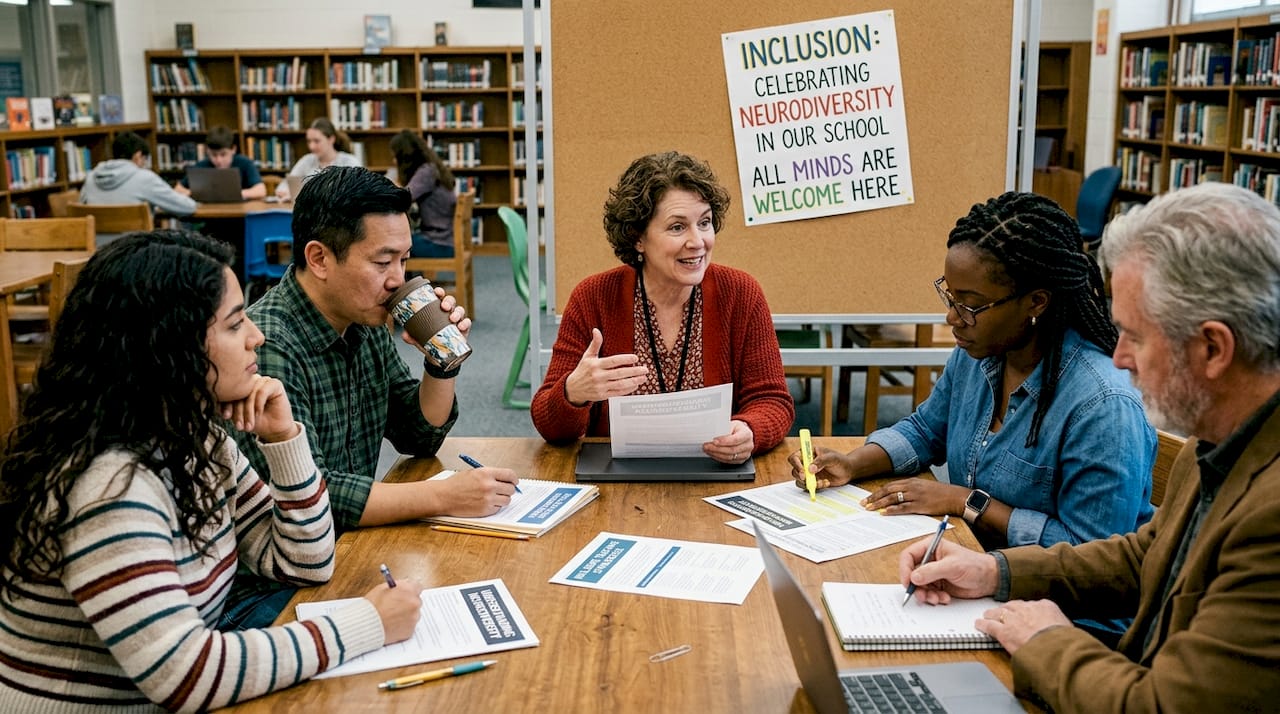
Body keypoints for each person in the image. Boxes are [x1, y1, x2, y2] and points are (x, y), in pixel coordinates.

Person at [896, 182, 1280, 712]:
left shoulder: (1270, 516)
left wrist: (1047, 641)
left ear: (1213, 348)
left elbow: (1164, 706)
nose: (1118, 358)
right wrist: (995, 573)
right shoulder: (1218, 438)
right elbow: (1145, 556)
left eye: (1135, 336)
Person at [0, 230, 423, 711]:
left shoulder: (195, 436)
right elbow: (188, 675)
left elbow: (304, 562)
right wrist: (368, 623)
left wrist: (283, 440)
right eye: (234, 323)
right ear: (168, 345)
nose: (255, 336)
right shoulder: (110, 485)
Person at [227, 166, 518, 629]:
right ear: (319, 259)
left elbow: (417, 433)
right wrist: (442, 496)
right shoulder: (268, 347)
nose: (397, 280)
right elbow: (315, 493)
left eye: (404, 260)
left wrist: (441, 360)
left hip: (348, 547)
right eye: (383, 263)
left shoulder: (365, 321)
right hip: (276, 583)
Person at [792, 192, 1155, 553]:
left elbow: (1091, 555)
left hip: (1054, 603)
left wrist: (965, 501)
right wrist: (850, 464)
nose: (953, 318)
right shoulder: (980, 354)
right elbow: (925, 430)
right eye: (951, 298)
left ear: (1036, 302)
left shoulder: (1104, 407)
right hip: (971, 560)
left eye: (971, 305)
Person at [531, 151, 794, 461]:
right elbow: (549, 424)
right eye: (677, 227)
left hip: (716, 473)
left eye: (705, 223)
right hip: (619, 481)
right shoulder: (594, 297)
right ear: (638, 237)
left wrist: (750, 430)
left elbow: (773, 401)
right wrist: (573, 393)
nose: (698, 241)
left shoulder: (740, 293)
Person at [80, 130, 197, 220]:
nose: (144, 165)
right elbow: (188, 207)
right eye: (144, 160)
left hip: (99, 248)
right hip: (134, 248)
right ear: (138, 155)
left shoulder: (91, 177)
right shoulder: (144, 178)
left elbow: (81, 211)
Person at [390, 129, 458, 258]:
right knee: (402, 239)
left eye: (395, 156)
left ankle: (401, 278)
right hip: (446, 239)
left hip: (439, 243)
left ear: (404, 156)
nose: (393, 161)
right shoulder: (432, 168)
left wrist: (391, 183)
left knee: (394, 243)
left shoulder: (426, 173)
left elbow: (402, 198)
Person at [275, 117, 361, 199]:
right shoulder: (306, 160)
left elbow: (357, 192)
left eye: (317, 141)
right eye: (309, 141)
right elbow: (284, 185)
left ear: (331, 139)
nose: (311, 146)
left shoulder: (350, 162)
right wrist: (286, 193)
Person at [174, 125, 267, 200]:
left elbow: (261, 191)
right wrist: (197, 194)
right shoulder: (202, 165)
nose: (218, 160)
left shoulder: (245, 163)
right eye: (213, 155)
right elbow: (178, 189)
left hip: (240, 216)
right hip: (210, 215)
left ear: (233, 149)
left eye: (223, 154)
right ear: (207, 151)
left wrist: (233, 194)